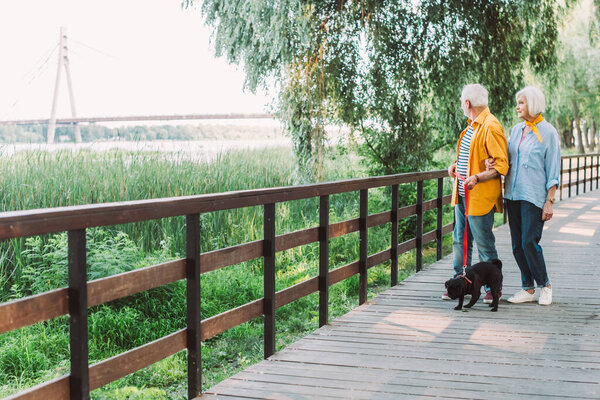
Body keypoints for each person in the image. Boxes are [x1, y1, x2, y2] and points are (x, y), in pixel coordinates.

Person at [490, 86, 560, 306]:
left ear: (533, 103)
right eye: (517, 102)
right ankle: (527, 288)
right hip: (513, 194)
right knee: (517, 245)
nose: (517, 106)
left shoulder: (548, 132)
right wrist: (491, 163)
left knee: (530, 242)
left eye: (521, 102)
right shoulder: (516, 130)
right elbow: (507, 159)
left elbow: (553, 169)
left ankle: (545, 285)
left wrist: (549, 201)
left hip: (533, 196)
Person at [443, 84, 509, 304]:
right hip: (462, 195)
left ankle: (493, 289)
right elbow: (471, 159)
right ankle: (459, 282)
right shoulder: (472, 126)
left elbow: (501, 165)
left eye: (462, 102)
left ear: (467, 103)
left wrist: (477, 178)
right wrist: (456, 167)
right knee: (459, 241)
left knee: (484, 244)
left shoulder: (491, 126)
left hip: (479, 197)